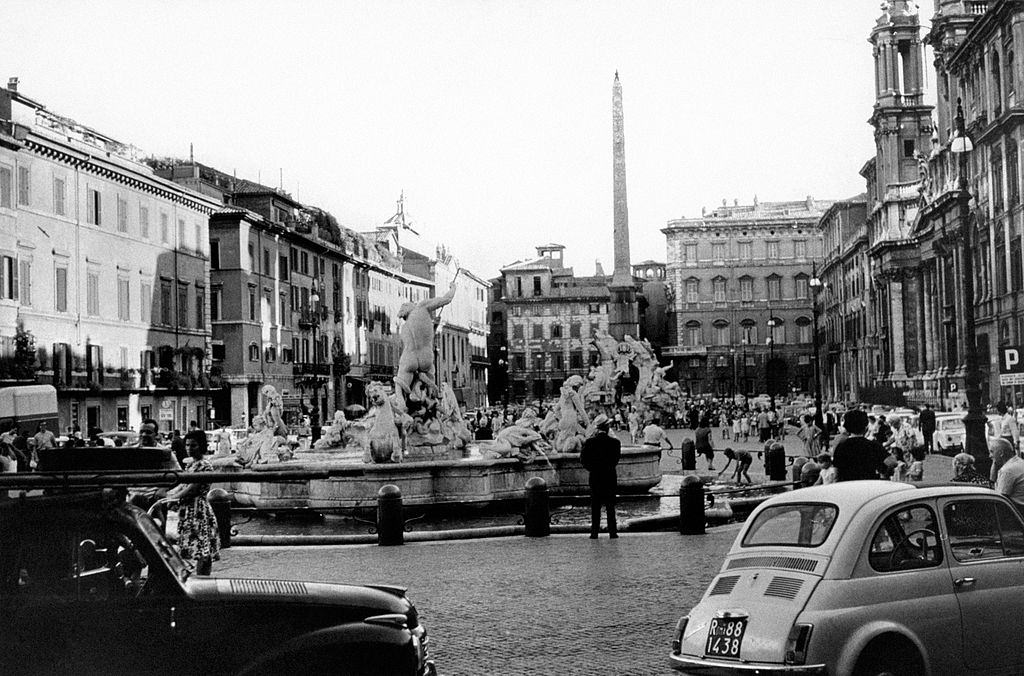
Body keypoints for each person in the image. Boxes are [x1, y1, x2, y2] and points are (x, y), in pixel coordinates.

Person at [394, 278, 457, 409]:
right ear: (411, 306)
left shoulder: (404, 328)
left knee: (400, 382)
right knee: (430, 387)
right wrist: (453, 288)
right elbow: (447, 299)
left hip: (409, 358)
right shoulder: (422, 306)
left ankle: (400, 400)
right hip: (426, 357)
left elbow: (408, 344)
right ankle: (431, 401)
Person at [167, 430, 221, 574]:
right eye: (187, 445)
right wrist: (170, 494)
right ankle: (201, 578)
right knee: (197, 547)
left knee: (203, 549)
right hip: (188, 509)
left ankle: (203, 579)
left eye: (194, 445)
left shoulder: (205, 465)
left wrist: (174, 497)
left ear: (201, 446)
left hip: (199, 510)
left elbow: (192, 489)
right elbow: (183, 485)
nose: (190, 449)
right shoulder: (191, 465)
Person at [579, 414, 620, 539]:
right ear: (607, 427)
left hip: (595, 477)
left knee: (595, 506)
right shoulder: (614, 442)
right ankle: (613, 532)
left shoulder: (590, 442)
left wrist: (593, 469)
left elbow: (583, 460)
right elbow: (616, 460)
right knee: (610, 507)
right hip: (609, 477)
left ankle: (594, 532)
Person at [832, 409, 888, 481]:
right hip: (869, 485)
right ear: (865, 427)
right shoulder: (873, 445)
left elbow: (836, 474)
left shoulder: (841, 447)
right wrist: (883, 473)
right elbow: (892, 462)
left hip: (847, 486)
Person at [992, 437, 1024, 516]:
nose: (990, 455)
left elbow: (999, 499)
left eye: (992, 452)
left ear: (1001, 453)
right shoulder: (1020, 461)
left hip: (1017, 512)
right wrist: (994, 464)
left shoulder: (1007, 470)